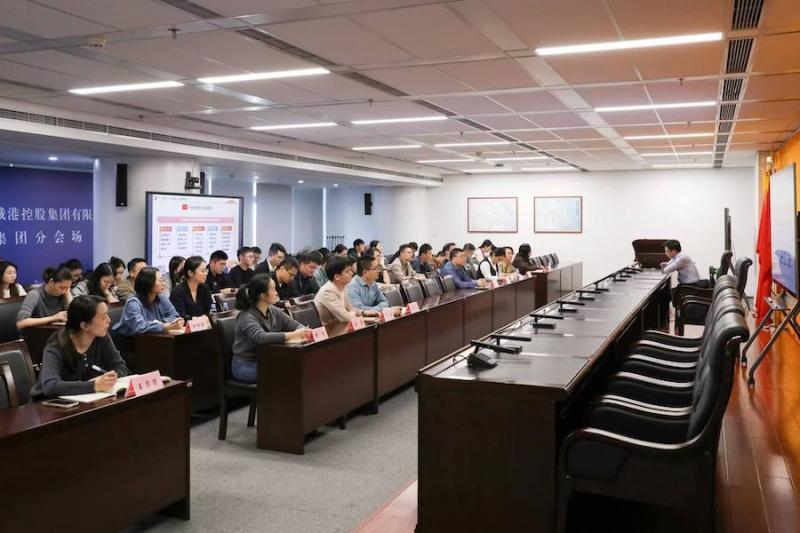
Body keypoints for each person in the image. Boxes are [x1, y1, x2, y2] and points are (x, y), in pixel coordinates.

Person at [30, 295, 129, 399]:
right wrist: (93, 385)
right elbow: (50, 386)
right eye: (103, 317)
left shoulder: (101, 337)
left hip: (86, 399)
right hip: (48, 404)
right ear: (84, 326)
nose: (109, 320)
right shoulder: (56, 346)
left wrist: (109, 379)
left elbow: (121, 367)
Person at [231, 274, 309, 383]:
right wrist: (293, 335)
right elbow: (261, 337)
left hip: (267, 359)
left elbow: (294, 325)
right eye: (273, 289)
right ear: (263, 295)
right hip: (245, 365)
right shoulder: (247, 315)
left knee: (298, 367)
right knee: (285, 373)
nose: (277, 292)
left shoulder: (272, 310)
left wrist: (303, 331)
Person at [112, 267, 184, 336]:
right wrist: (164, 326)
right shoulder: (133, 302)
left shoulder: (162, 298)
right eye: (160, 280)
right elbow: (140, 327)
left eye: (163, 280)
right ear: (148, 283)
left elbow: (175, 316)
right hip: (127, 339)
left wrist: (161, 323)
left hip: (151, 337)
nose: (163, 283)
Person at [314, 255, 378, 324]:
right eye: (347, 271)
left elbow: (350, 308)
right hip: (327, 328)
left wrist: (363, 312)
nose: (352, 273)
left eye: (350, 270)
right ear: (337, 277)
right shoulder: (328, 291)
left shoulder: (343, 286)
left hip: (338, 325)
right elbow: (345, 317)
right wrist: (363, 316)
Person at [15, 266, 72, 330]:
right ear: (51, 282)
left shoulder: (64, 294)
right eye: (62, 287)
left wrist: (69, 296)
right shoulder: (34, 294)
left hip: (56, 332)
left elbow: (76, 315)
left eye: (67, 288)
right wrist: (53, 318)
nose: (64, 291)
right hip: (37, 332)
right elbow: (20, 323)